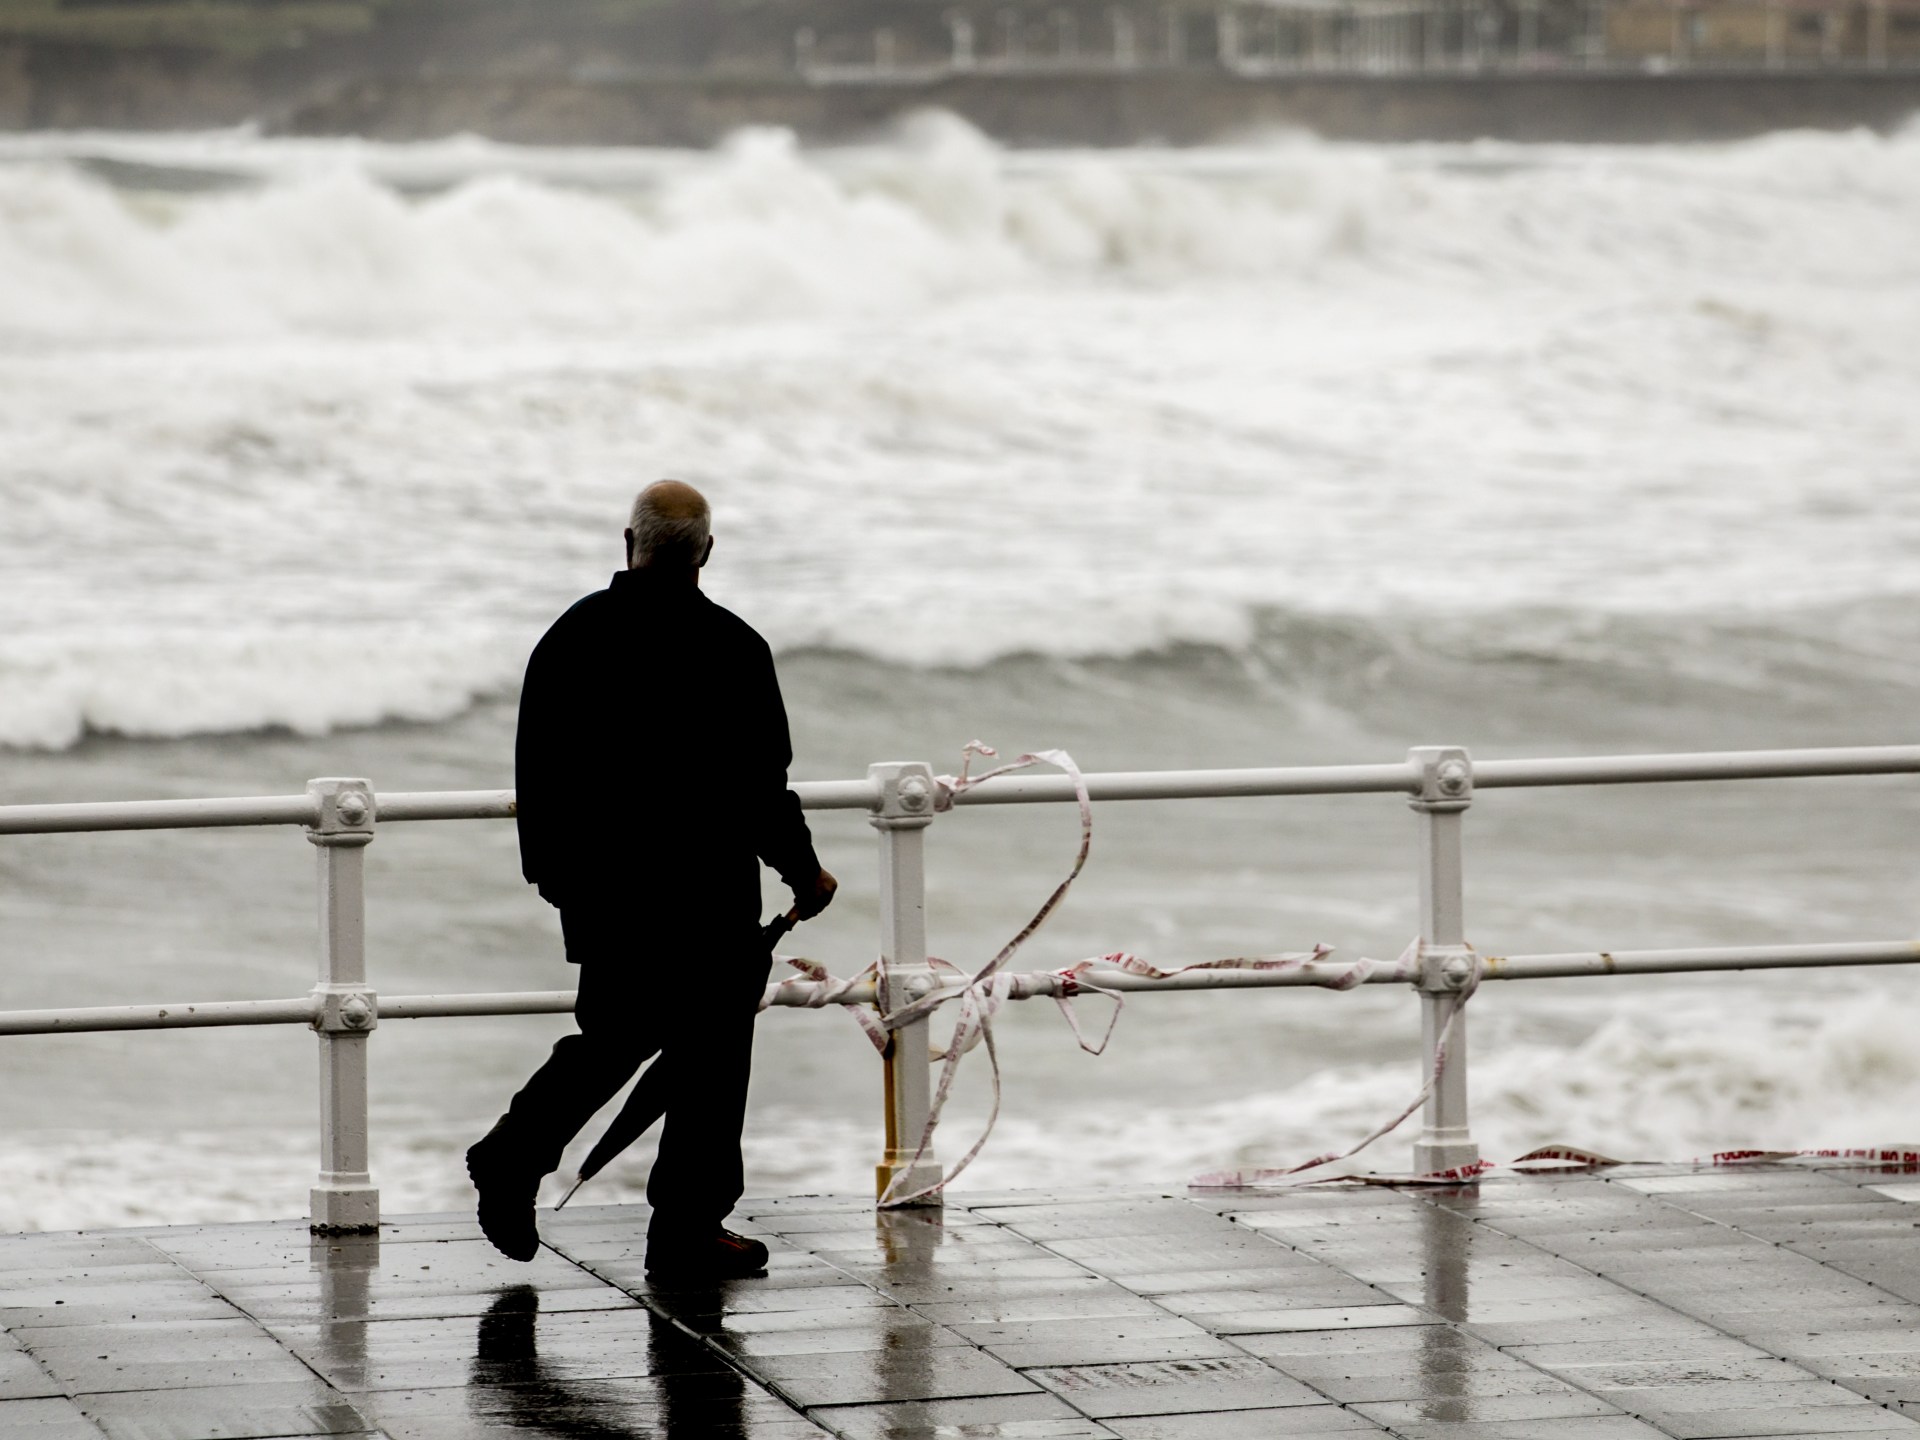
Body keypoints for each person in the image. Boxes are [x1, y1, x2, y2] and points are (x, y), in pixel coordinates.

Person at [466, 480, 837, 1279]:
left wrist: (555, 879)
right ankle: (681, 1228)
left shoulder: (572, 637)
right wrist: (803, 873)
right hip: (706, 891)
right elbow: (760, 788)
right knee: (711, 1057)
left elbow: (540, 769)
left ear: (624, 540)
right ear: (706, 550)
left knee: (616, 1036)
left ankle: (518, 1153)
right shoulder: (734, 646)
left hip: (606, 891)